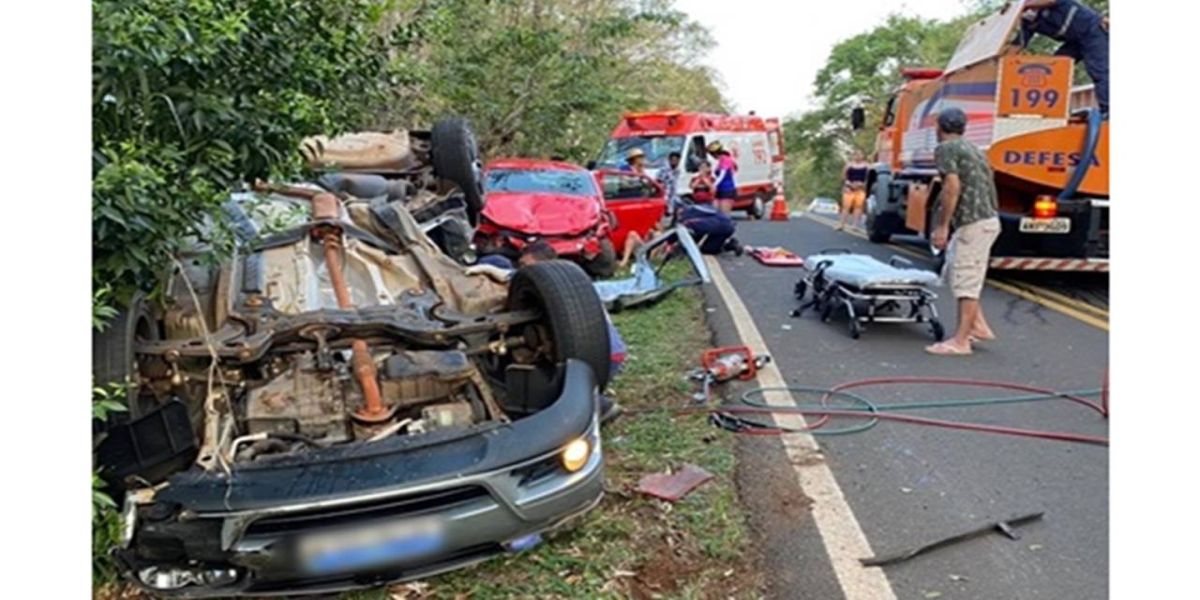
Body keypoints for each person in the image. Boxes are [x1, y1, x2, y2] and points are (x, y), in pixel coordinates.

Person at [467, 242, 625, 422]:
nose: (522, 270)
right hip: (613, 356)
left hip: (595, 359)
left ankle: (594, 403)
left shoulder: (539, 290)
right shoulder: (573, 281)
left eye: (525, 265)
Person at [926, 108, 1001, 356]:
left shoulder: (946, 149)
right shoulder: (973, 149)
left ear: (940, 127)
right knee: (953, 272)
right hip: (986, 219)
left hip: (973, 223)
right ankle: (978, 326)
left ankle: (961, 341)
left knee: (967, 279)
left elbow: (952, 187)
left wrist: (943, 225)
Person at [1014, 0, 1108, 116]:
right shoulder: (1027, 21)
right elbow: (1018, 45)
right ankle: (1054, 110)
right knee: (1055, 69)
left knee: (1100, 71)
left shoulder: (1045, 3)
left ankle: (1108, 111)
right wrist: (1004, 63)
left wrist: (1023, 6)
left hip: (1092, 31)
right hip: (1074, 41)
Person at [677, 201, 742, 256]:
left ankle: (727, 245)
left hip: (717, 227)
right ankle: (731, 244)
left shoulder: (687, 216)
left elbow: (691, 232)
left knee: (708, 249)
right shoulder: (700, 208)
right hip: (728, 225)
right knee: (713, 246)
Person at [838, 151, 870, 231]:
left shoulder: (867, 166)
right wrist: (847, 183)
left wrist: (863, 184)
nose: (857, 156)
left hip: (861, 188)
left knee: (858, 207)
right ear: (853, 156)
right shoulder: (848, 165)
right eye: (855, 155)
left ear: (863, 156)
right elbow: (843, 176)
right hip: (849, 188)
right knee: (846, 207)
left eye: (859, 154)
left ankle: (855, 225)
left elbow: (869, 178)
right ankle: (841, 224)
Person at [708, 142, 738, 214]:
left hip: (727, 189)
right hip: (720, 189)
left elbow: (722, 175)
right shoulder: (720, 161)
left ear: (715, 153)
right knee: (716, 212)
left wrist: (713, 185)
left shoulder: (726, 160)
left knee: (724, 215)